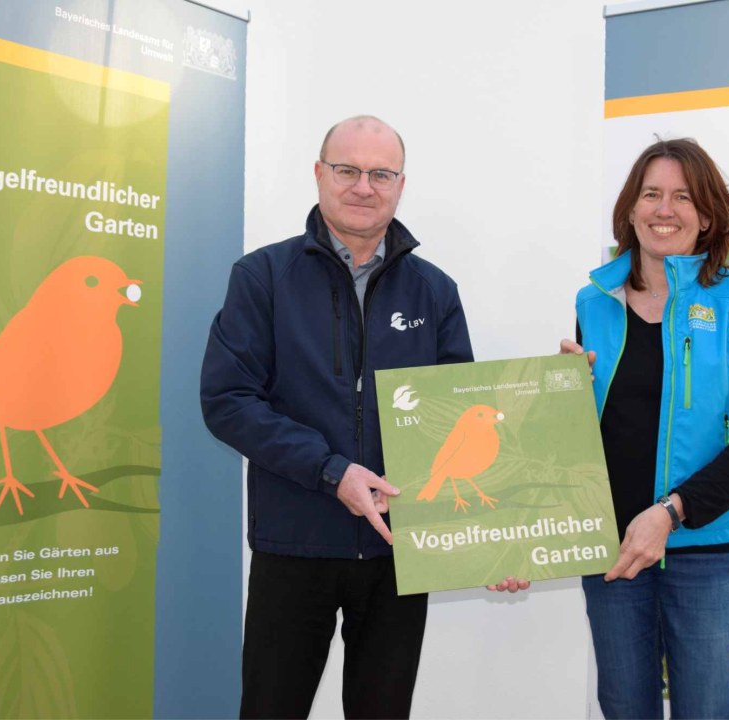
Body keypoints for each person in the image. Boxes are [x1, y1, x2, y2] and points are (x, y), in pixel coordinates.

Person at [201, 115, 523, 720]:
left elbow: (461, 417)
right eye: (347, 170)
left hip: (399, 553)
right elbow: (228, 401)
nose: (363, 186)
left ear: (401, 184)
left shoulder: (435, 291)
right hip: (295, 544)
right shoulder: (262, 277)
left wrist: (498, 543)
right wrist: (331, 471)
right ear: (319, 174)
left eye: (380, 173)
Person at [561, 137, 729, 719]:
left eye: (683, 197)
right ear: (630, 210)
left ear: (707, 214)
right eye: (651, 194)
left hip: (707, 548)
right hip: (612, 547)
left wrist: (670, 512)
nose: (665, 209)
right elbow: (589, 435)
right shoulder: (594, 302)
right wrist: (563, 396)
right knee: (624, 709)